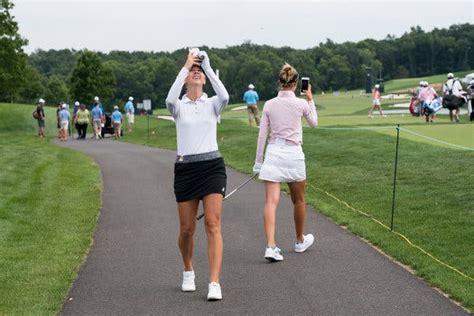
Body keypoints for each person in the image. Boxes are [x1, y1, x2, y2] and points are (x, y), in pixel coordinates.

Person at [165, 49, 229, 301]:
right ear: (185, 79)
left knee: (213, 224)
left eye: (199, 72)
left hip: (212, 166)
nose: (196, 73)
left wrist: (208, 67)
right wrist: (186, 65)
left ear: (204, 80)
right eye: (193, 71)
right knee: (187, 229)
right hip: (186, 169)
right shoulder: (178, 106)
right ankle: (188, 269)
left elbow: (224, 94)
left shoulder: (213, 104)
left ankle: (214, 282)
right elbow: (169, 98)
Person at [253, 63, 318, 263]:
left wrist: (258, 162)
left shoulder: (270, 104)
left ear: (280, 82)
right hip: (293, 154)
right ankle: (299, 241)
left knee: (271, 202)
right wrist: (311, 99)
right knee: (298, 200)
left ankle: (271, 246)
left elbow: (262, 134)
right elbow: (314, 123)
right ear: (296, 83)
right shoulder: (301, 104)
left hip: (274, 153)